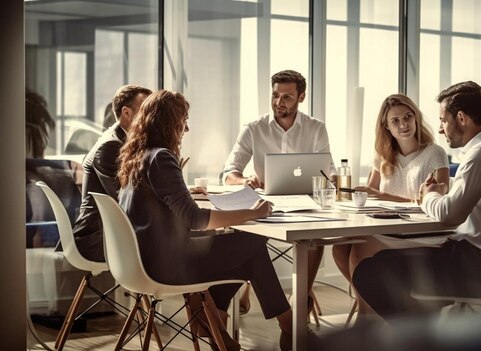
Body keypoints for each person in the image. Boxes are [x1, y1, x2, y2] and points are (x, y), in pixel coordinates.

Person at [117, 89, 295, 350]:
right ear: (169, 122)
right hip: (165, 265)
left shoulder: (137, 156)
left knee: (248, 258)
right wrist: (253, 213)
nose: (186, 129)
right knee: (254, 241)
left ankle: (219, 331)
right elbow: (196, 219)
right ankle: (288, 327)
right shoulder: (162, 157)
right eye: (183, 121)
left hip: (139, 262)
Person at [351, 81, 481, 320]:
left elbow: (451, 215)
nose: (441, 129)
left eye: (443, 120)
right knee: (381, 260)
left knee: (369, 272)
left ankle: (422, 339)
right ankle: (430, 328)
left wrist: (429, 194)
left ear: (461, 118)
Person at [332, 93, 449, 325]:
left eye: (407, 117)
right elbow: (372, 197)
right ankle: (373, 304)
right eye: (395, 120)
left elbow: (439, 199)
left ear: (416, 118)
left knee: (358, 249)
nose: (403, 124)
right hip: (389, 228)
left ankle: (366, 317)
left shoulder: (434, 153)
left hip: (422, 231)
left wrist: (381, 195)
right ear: (386, 125)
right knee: (339, 247)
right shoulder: (383, 156)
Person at [222, 69, 330, 313]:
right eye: (275, 95)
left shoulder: (316, 128)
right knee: (249, 236)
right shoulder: (253, 128)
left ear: (301, 97)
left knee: (316, 236)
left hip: (305, 204)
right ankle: (250, 287)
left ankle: (301, 295)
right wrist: (244, 180)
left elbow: (328, 173)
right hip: (265, 205)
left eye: (287, 97)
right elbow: (229, 172)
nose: (278, 102)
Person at [71, 85, 152, 262]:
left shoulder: (122, 141)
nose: (151, 117)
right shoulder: (110, 146)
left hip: (112, 232)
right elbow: (127, 199)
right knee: (173, 240)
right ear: (126, 113)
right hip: (96, 238)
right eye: (146, 110)